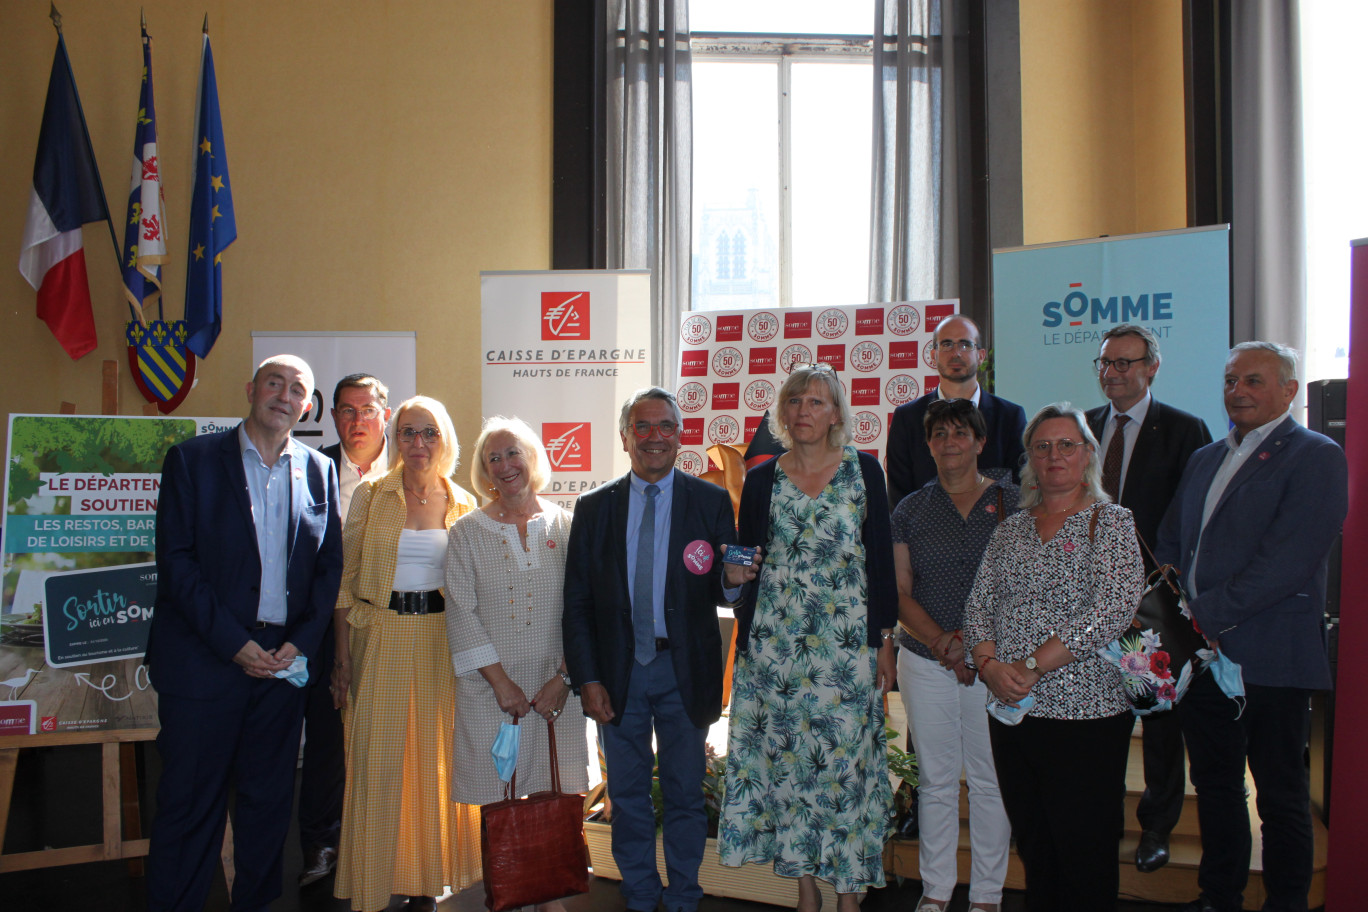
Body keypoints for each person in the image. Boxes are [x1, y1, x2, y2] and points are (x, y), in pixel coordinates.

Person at [145, 355, 343, 912]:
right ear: (251, 390)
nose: (284, 396)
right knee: (190, 807)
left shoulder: (319, 470)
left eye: (297, 389)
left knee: (267, 809)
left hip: (281, 668)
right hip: (206, 664)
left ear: (308, 407)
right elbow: (177, 564)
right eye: (274, 383)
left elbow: (328, 569)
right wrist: (234, 644)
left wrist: (299, 643)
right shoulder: (192, 460)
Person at [1156, 342, 1348, 912]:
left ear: (1289, 390)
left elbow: (1287, 561)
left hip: (1271, 655)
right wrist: (1176, 617)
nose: (1237, 390)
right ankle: (1220, 897)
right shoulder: (1206, 457)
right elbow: (1170, 542)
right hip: (1204, 659)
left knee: (1282, 796)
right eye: (1231, 379)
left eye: (1254, 381)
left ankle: (1286, 903)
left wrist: (1205, 615)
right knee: (1216, 789)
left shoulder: (1315, 455)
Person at [562, 387, 756, 912]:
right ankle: (642, 897)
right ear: (625, 438)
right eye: (642, 427)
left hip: (683, 672)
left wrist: (735, 581)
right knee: (626, 799)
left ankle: (685, 897)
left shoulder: (710, 501)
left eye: (665, 426)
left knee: (685, 795)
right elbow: (576, 602)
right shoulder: (593, 507)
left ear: (679, 435)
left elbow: (720, 585)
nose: (654, 437)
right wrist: (588, 679)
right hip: (617, 675)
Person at [718, 364, 898, 912]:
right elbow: (745, 556)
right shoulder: (762, 478)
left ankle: (848, 892)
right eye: (795, 402)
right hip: (775, 649)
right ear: (782, 413)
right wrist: (732, 577)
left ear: (837, 413)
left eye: (817, 402)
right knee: (787, 767)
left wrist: (885, 639)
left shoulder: (864, 472)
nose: (804, 412)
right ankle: (805, 890)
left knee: (845, 768)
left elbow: (881, 564)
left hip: (846, 651)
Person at [963, 402, 1143, 912]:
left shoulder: (1109, 523)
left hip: (1085, 714)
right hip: (1013, 712)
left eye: (1066, 445)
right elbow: (979, 603)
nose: (1054, 455)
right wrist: (990, 664)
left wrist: (1030, 666)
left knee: (1083, 848)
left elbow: (1109, 610)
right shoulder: (1011, 529)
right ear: (1030, 460)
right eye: (1042, 447)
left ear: (1088, 454)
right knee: (1036, 844)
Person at [331, 397, 480, 912]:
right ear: (395, 439)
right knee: (377, 766)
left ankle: (425, 885)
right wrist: (341, 659)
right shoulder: (372, 495)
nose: (419, 444)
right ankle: (377, 882)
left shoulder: (463, 502)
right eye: (409, 433)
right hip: (381, 638)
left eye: (429, 433)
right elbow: (344, 584)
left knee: (434, 765)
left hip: (442, 641)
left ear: (445, 440)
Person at [445, 417, 589, 912]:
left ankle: (550, 896)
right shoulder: (466, 532)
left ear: (534, 460)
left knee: (552, 788)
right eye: (493, 458)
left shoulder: (567, 525)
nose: (505, 466)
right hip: (492, 691)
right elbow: (460, 610)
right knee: (498, 796)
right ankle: (508, 889)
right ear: (484, 472)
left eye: (513, 454)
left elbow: (584, 607)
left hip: (556, 689)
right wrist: (502, 683)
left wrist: (565, 679)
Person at [1084, 324, 1212, 874]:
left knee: (1158, 722)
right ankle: (1101, 821)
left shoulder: (1185, 430)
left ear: (1151, 368)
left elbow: (1196, 514)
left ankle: (1157, 826)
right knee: (1098, 720)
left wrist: (1166, 577)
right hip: (1086, 600)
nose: (1113, 373)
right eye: (1106, 363)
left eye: (1126, 363)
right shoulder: (1083, 428)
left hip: (1149, 603)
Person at [892, 398, 1018, 912]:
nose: (950, 443)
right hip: (925, 661)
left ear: (981, 442)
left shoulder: (1014, 503)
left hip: (995, 664)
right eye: (939, 434)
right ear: (928, 445)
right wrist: (945, 643)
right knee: (937, 781)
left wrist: (974, 645)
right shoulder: (909, 510)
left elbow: (1021, 587)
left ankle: (987, 895)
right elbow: (899, 592)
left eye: (960, 433)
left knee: (990, 780)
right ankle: (936, 890)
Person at [298, 373, 394, 888]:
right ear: (330, 416)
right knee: (327, 741)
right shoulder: (310, 468)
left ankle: (387, 843)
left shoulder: (411, 466)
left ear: (386, 412)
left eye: (367, 409)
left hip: (389, 627)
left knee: (385, 738)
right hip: (317, 629)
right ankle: (322, 845)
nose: (357, 421)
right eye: (346, 411)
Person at [886, 315, 1027, 508]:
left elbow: (1019, 491)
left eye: (965, 345)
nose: (956, 353)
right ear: (933, 355)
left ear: (981, 355)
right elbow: (899, 497)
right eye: (947, 345)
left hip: (996, 534)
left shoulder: (1010, 417)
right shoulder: (907, 418)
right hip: (924, 534)